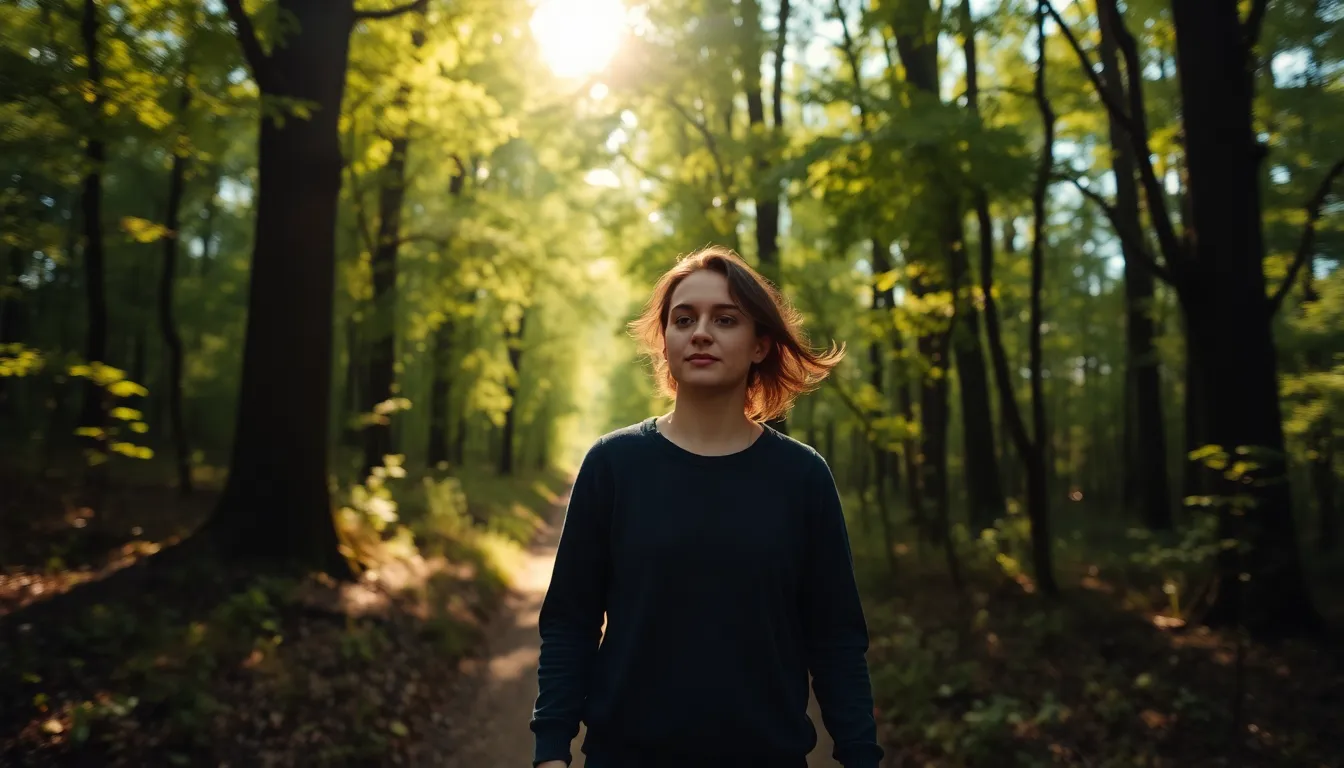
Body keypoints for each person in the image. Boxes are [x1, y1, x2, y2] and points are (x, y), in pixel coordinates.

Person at [530, 245, 884, 768]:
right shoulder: (614, 465)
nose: (700, 332)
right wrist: (550, 750)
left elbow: (836, 639)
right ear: (666, 342)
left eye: (725, 319)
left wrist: (860, 756)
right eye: (683, 319)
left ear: (761, 344)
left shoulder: (802, 477)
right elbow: (569, 621)